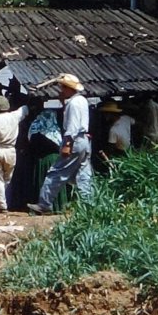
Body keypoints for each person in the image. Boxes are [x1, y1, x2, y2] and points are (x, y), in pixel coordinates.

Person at [28, 74, 93, 214]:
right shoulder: (81, 100)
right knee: (83, 174)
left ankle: (44, 204)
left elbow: (72, 126)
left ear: (68, 88)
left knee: (57, 172)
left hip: (74, 139)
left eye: (63, 87)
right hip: (84, 141)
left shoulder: (73, 103)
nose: (61, 91)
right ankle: (89, 204)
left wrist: (67, 144)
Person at [26, 99, 68, 212]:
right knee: (55, 182)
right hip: (55, 158)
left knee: (42, 182)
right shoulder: (56, 133)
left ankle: (42, 206)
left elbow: (31, 144)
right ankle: (58, 207)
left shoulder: (35, 131)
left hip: (42, 160)